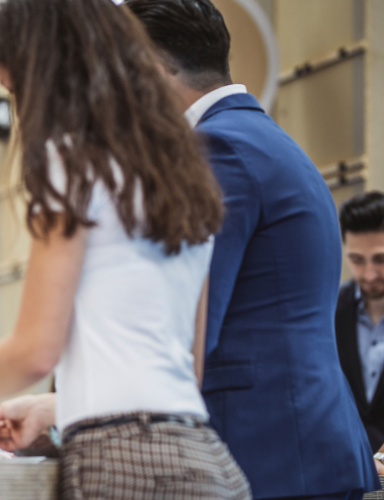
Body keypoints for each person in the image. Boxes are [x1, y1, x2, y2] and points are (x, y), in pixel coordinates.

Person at [0, 0, 249, 497]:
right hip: (202, 453)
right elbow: (181, 366)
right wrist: (58, 408)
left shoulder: (72, 164)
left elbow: (35, 351)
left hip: (122, 460)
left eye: (15, 89)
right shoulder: (186, 175)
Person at [120, 0, 380, 498]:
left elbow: (188, 323)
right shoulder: (260, 138)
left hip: (270, 452)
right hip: (297, 447)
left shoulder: (218, 151)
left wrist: (72, 412)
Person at [336, 192, 384, 464]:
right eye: (356, 259)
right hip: (347, 474)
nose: (369, 274)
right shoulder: (329, 312)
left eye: (380, 259)